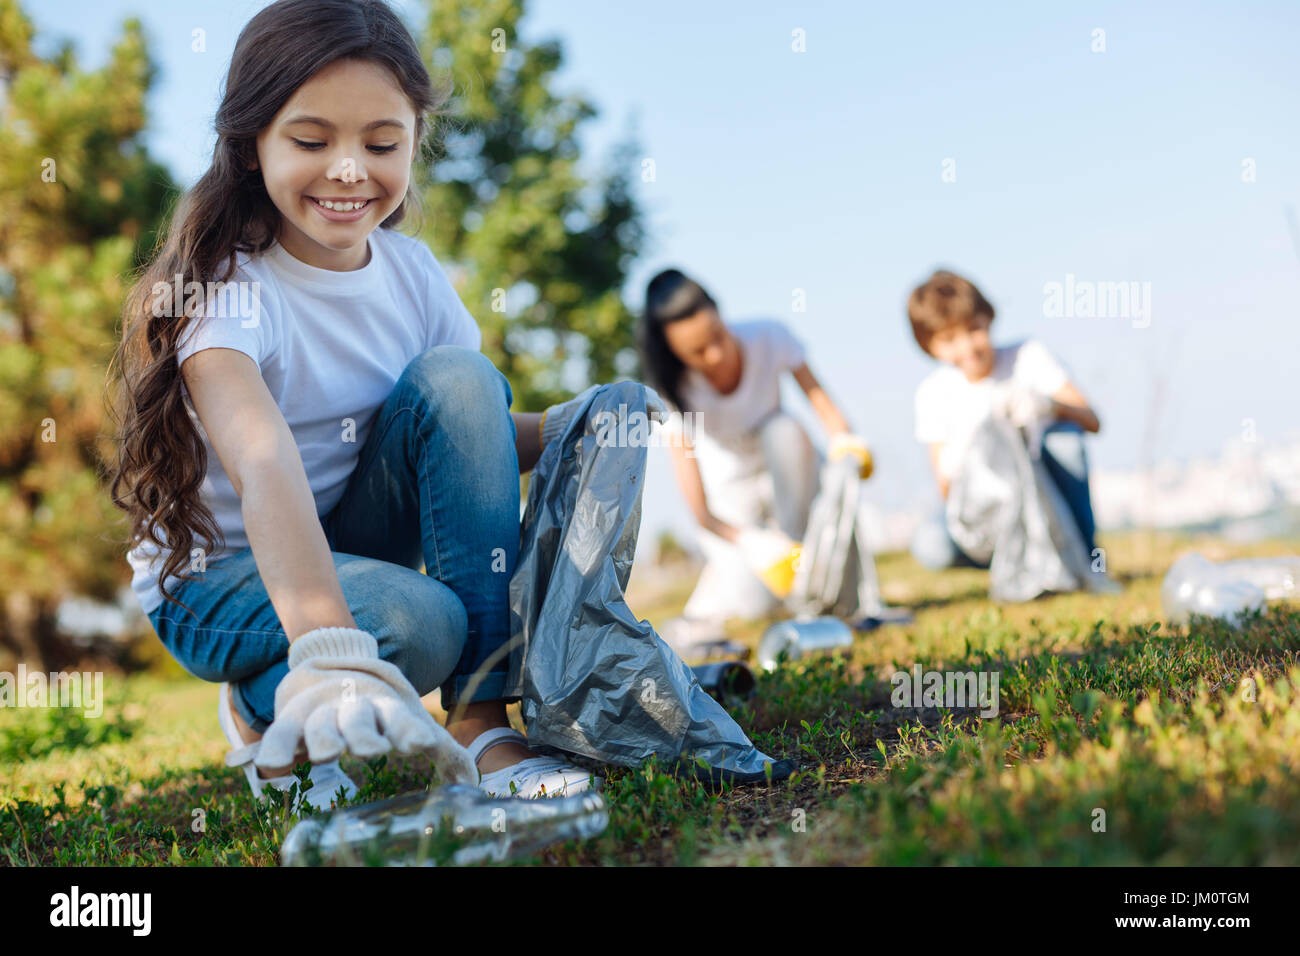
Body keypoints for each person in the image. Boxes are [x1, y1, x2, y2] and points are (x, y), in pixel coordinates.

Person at [108, 0, 612, 807]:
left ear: (414, 141)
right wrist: (327, 647)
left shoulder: (411, 275)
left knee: (458, 376)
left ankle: (482, 721)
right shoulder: (227, 290)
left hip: (346, 535)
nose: (349, 171)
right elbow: (264, 461)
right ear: (250, 149)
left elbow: (470, 432)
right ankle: (263, 694)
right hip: (218, 579)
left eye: (382, 144)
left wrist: (578, 427)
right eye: (311, 142)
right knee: (425, 626)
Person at [639, 269, 874, 627]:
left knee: (783, 429)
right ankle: (729, 582)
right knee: (754, 606)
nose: (715, 355)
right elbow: (701, 512)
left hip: (789, 476)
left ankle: (802, 556)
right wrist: (751, 542)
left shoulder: (768, 337)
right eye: (697, 352)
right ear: (674, 352)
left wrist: (847, 444)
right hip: (732, 503)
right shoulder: (673, 392)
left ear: (721, 313)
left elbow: (826, 410)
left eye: (717, 336)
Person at [905, 269, 1104, 573]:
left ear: (988, 318)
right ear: (929, 346)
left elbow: (1092, 420)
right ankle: (1004, 560)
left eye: (973, 330)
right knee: (931, 544)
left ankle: (1085, 555)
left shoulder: (1028, 356)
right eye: (948, 339)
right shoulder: (933, 394)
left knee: (1064, 440)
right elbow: (945, 488)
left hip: (1046, 498)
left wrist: (1048, 405)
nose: (967, 348)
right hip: (989, 509)